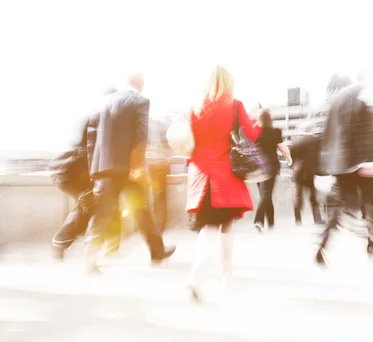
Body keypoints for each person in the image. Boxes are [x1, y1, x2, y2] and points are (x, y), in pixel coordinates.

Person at [85, 72, 175, 272]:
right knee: (142, 210)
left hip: (104, 168)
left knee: (102, 214)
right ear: (139, 83)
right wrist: (137, 168)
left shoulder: (103, 102)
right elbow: (140, 136)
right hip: (127, 169)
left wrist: (95, 170)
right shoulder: (140, 101)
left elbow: (91, 138)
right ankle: (157, 252)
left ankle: (91, 259)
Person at [186, 65, 262, 300]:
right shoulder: (235, 104)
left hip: (200, 176)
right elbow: (251, 134)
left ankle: (207, 278)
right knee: (225, 227)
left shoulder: (195, 107)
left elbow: (188, 142)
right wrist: (259, 122)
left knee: (207, 228)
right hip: (223, 177)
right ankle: (213, 277)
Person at [316, 71, 373, 266]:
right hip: (358, 162)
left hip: (340, 165)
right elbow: (362, 130)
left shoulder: (335, 102)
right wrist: (371, 160)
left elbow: (327, 136)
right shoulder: (360, 96)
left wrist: (328, 164)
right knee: (372, 202)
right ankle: (371, 244)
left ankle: (322, 247)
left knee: (341, 206)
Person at [50, 86, 121, 260]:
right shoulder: (100, 119)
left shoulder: (95, 116)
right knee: (90, 206)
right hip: (78, 172)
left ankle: (107, 246)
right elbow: (90, 149)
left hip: (72, 170)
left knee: (91, 206)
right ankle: (62, 244)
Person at [253, 108, 293, 232]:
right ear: (270, 119)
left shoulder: (255, 132)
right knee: (266, 194)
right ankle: (260, 221)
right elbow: (283, 148)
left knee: (264, 194)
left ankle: (269, 222)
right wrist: (289, 159)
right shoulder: (275, 132)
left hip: (257, 166)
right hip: (271, 165)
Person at [290, 122, 325, 226]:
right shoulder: (317, 141)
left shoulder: (295, 142)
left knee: (297, 197)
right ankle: (317, 219)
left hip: (298, 173)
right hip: (313, 173)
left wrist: (294, 168)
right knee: (314, 198)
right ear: (310, 130)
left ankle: (298, 219)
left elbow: (291, 159)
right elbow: (321, 156)